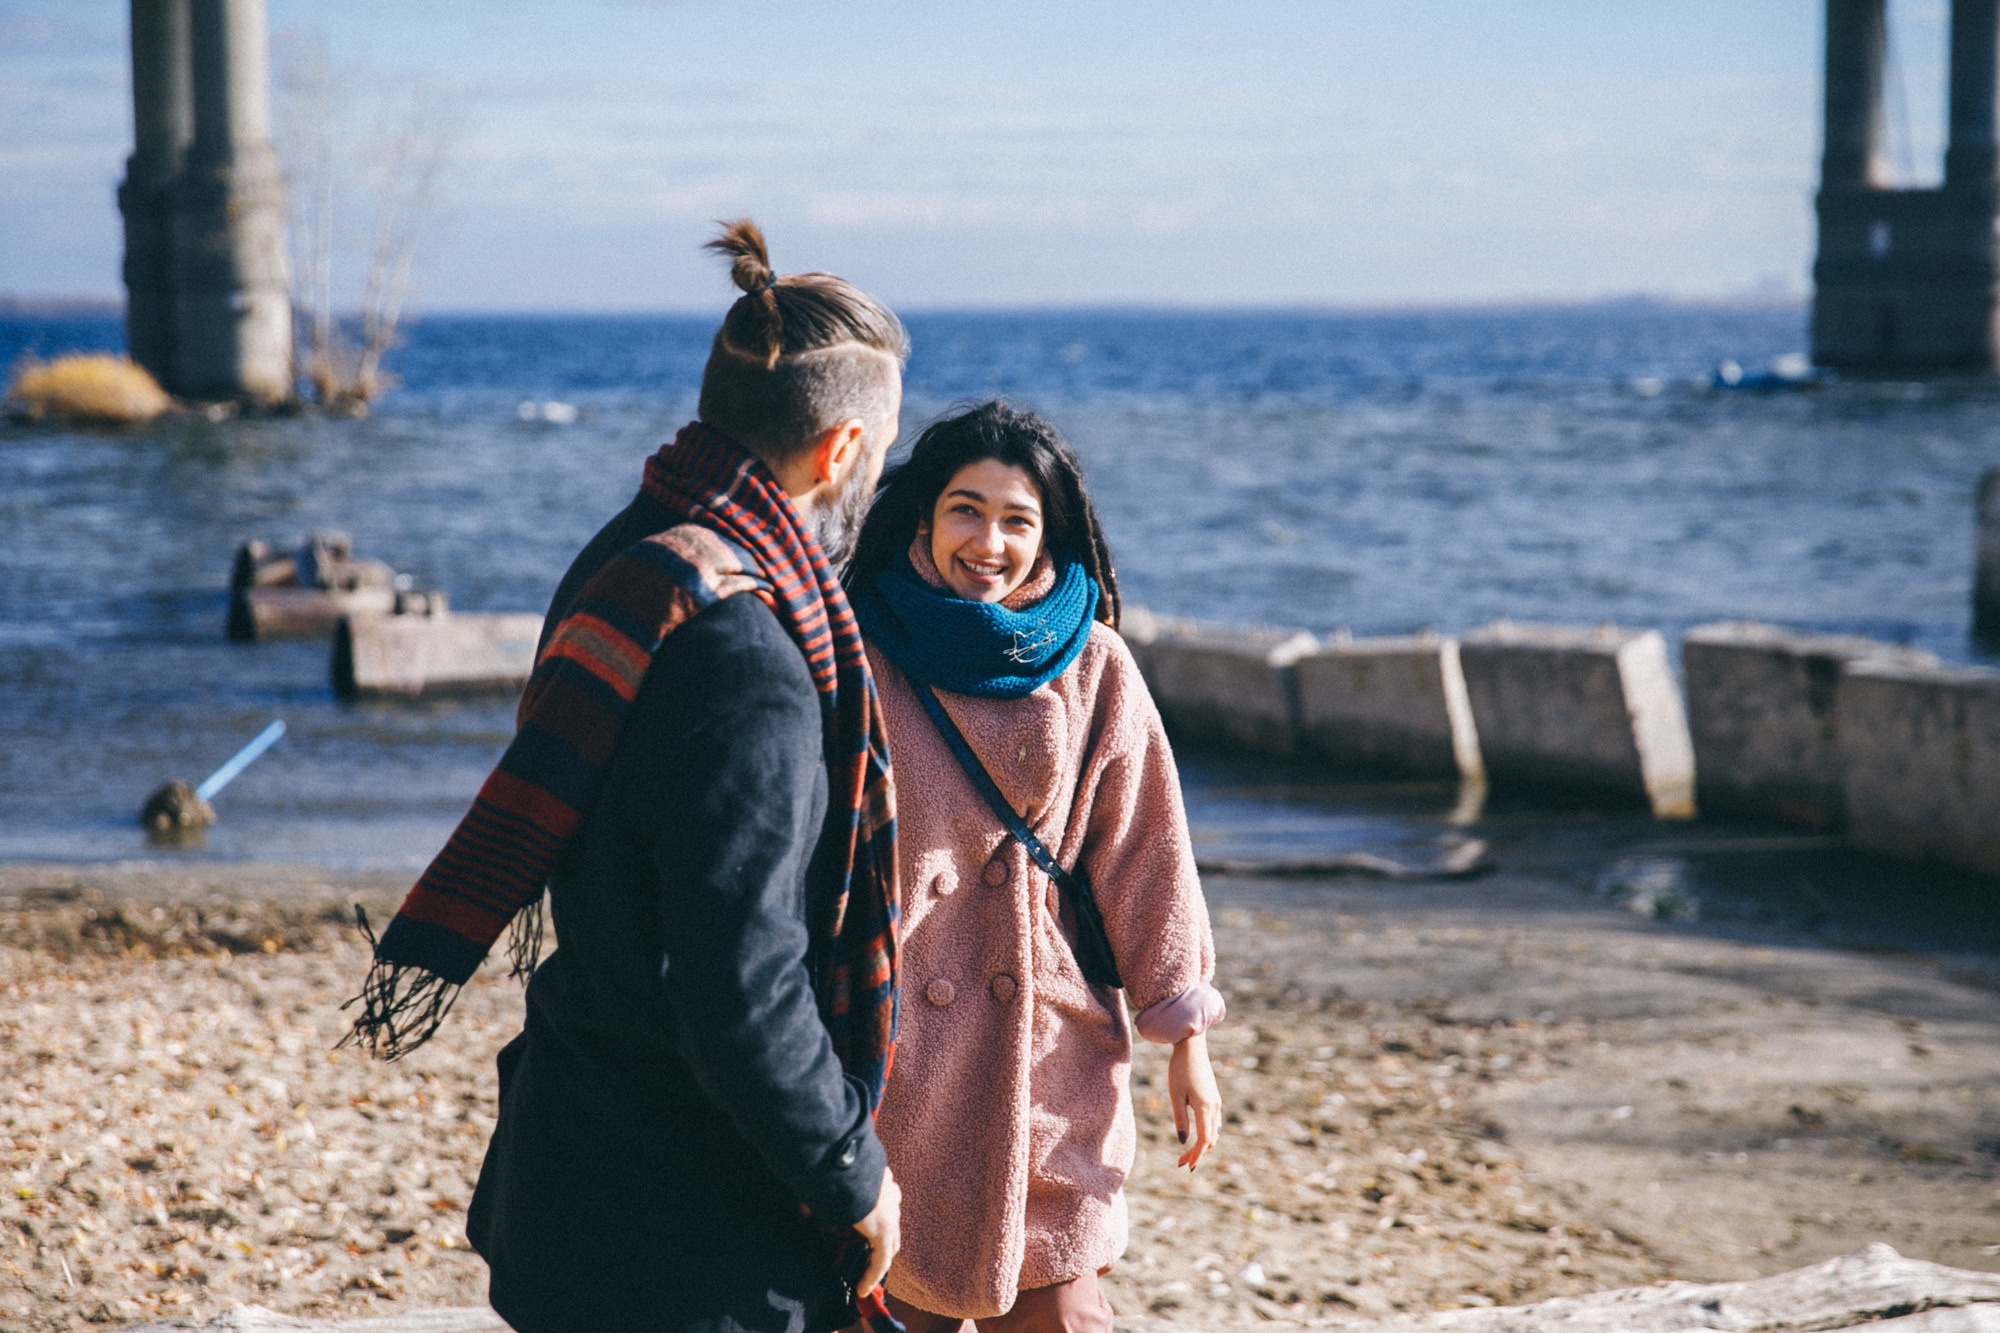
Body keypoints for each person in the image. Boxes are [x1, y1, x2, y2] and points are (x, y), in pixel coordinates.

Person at [342, 220, 908, 1333]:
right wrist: (851, 1169)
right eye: (882, 452)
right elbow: (738, 988)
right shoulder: (749, 656)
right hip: (684, 1235)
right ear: (839, 452)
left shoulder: (626, 556)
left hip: (572, 1164)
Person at [846, 401, 1225, 1333]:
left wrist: (1186, 1036)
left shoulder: (1094, 664)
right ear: (923, 518)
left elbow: (1148, 856)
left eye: (1018, 519)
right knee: (890, 1303)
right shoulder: (862, 647)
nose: (990, 541)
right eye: (966, 510)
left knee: (1060, 1307)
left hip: (1047, 1055)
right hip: (897, 1056)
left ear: (1050, 534)